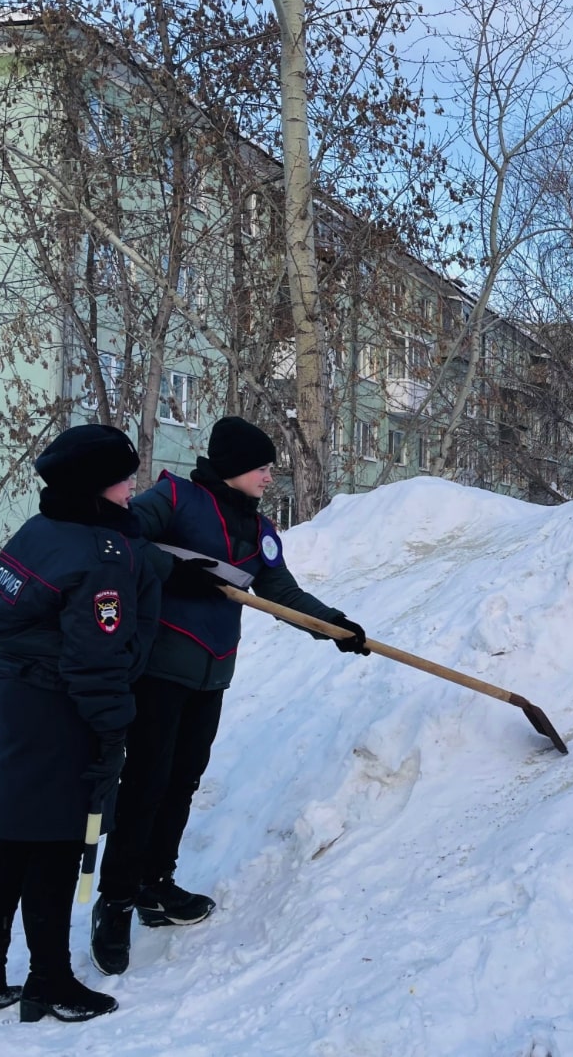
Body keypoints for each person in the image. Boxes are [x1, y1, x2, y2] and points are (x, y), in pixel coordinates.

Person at [90, 415, 370, 975]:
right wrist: (179, 570)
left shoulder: (261, 530)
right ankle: (114, 900)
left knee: (183, 781)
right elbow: (119, 539)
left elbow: (281, 591)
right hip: (161, 668)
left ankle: (155, 884)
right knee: (145, 783)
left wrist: (333, 626)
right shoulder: (175, 498)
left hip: (212, 674)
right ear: (235, 467)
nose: (270, 476)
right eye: (263, 467)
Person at [0, 424, 160, 1023]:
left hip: (13, 690)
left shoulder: (40, 530)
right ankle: (52, 981)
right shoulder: (99, 556)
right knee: (61, 843)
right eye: (122, 477)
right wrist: (114, 726)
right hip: (59, 705)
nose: (131, 486)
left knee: (13, 835)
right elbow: (96, 656)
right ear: (94, 487)